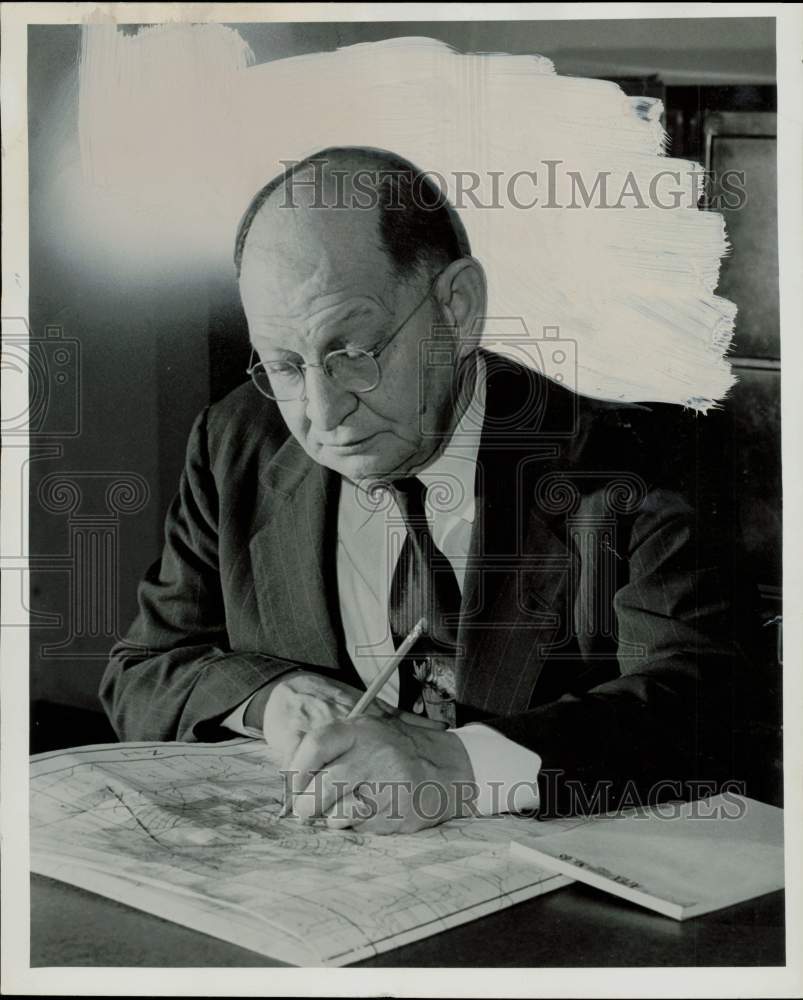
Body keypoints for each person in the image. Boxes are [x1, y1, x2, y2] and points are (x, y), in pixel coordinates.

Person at [100, 147, 745, 832]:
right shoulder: (238, 443)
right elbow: (142, 671)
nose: (322, 413)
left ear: (458, 310)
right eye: (285, 365)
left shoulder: (633, 462)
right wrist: (272, 696)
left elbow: (706, 704)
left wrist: (454, 767)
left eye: (354, 354)